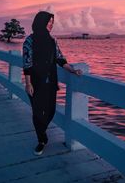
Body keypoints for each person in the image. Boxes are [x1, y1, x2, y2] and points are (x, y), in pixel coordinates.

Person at [22, 11, 82, 156]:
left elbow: (60, 59)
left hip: (50, 83)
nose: (51, 25)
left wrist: (72, 70)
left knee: (50, 111)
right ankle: (42, 140)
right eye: (49, 22)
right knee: (37, 113)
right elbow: (27, 64)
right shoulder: (29, 41)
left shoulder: (52, 41)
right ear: (40, 22)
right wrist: (28, 83)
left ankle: (42, 133)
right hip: (35, 83)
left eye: (52, 22)